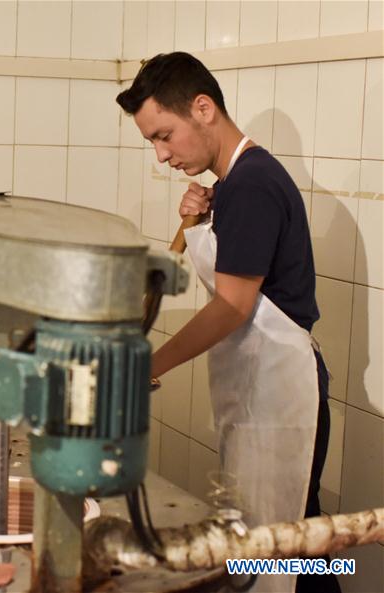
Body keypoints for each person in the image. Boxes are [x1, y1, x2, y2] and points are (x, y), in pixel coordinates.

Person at [116, 52, 339, 593]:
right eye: (152, 141)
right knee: (288, 544)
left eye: (165, 135)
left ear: (203, 108)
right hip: (263, 382)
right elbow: (207, 274)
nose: (162, 154)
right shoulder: (236, 182)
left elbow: (234, 305)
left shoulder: (252, 183)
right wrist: (195, 220)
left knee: (282, 549)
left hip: (283, 389)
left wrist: (148, 365)